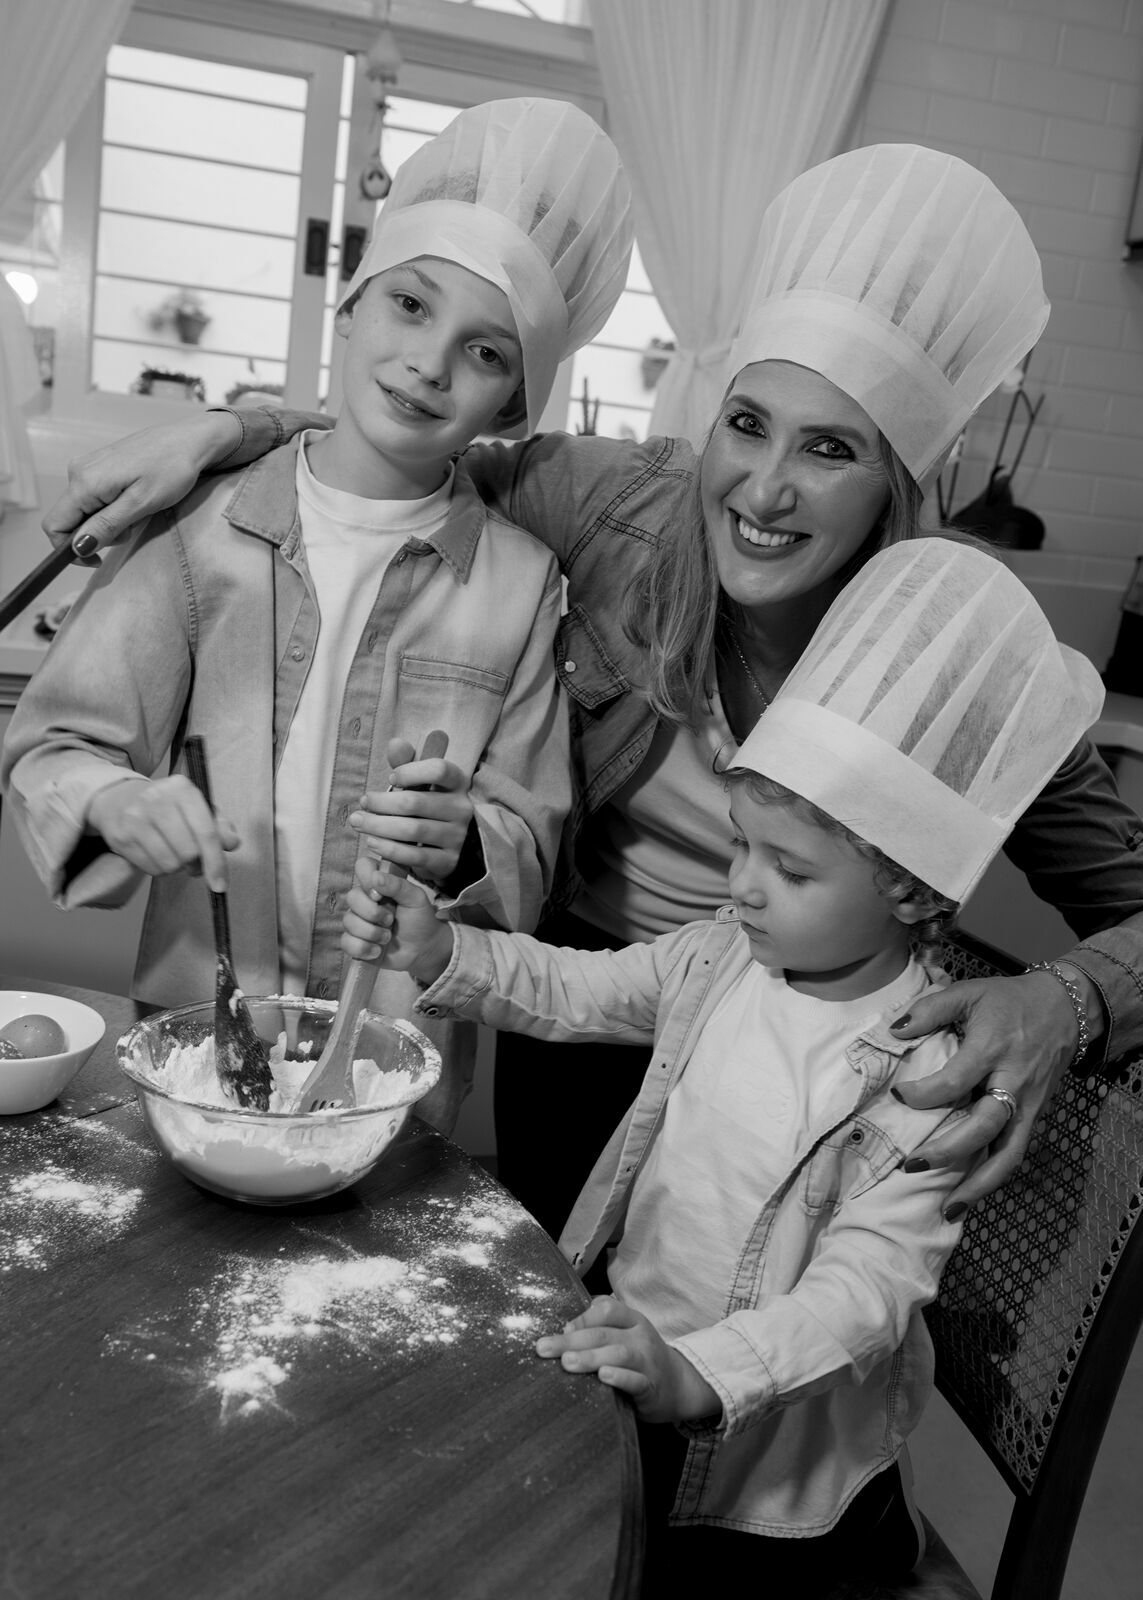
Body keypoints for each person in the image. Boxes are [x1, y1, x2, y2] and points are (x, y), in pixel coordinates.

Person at [33, 143, 1143, 1219]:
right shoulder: (609, 509)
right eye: (746, 426)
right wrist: (228, 431)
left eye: (831, 450)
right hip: (574, 1004)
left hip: (802, 1042)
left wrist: (1065, 999)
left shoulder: (965, 654)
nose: (764, 488)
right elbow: (402, 448)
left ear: (898, 480)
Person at [338, 533, 1105, 1590]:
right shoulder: (722, 957)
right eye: (741, 843)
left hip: (773, 1483)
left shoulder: (923, 1073)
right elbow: (575, 990)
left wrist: (704, 1372)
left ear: (915, 894)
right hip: (646, 1361)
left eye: (787, 867)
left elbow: (865, 1294)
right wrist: (444, 950)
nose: (742, 884)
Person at [0, 96, 633, 1133]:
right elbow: (53, 746)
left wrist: (467, 842)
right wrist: (116, 801)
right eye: (411, 306)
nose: (430, 364)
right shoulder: (202, 524)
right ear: (350, 308)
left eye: (485, 353)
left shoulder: (522, 584)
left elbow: (534, 833)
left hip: (385, 1067)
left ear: (515, 405)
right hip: (197, 1028)